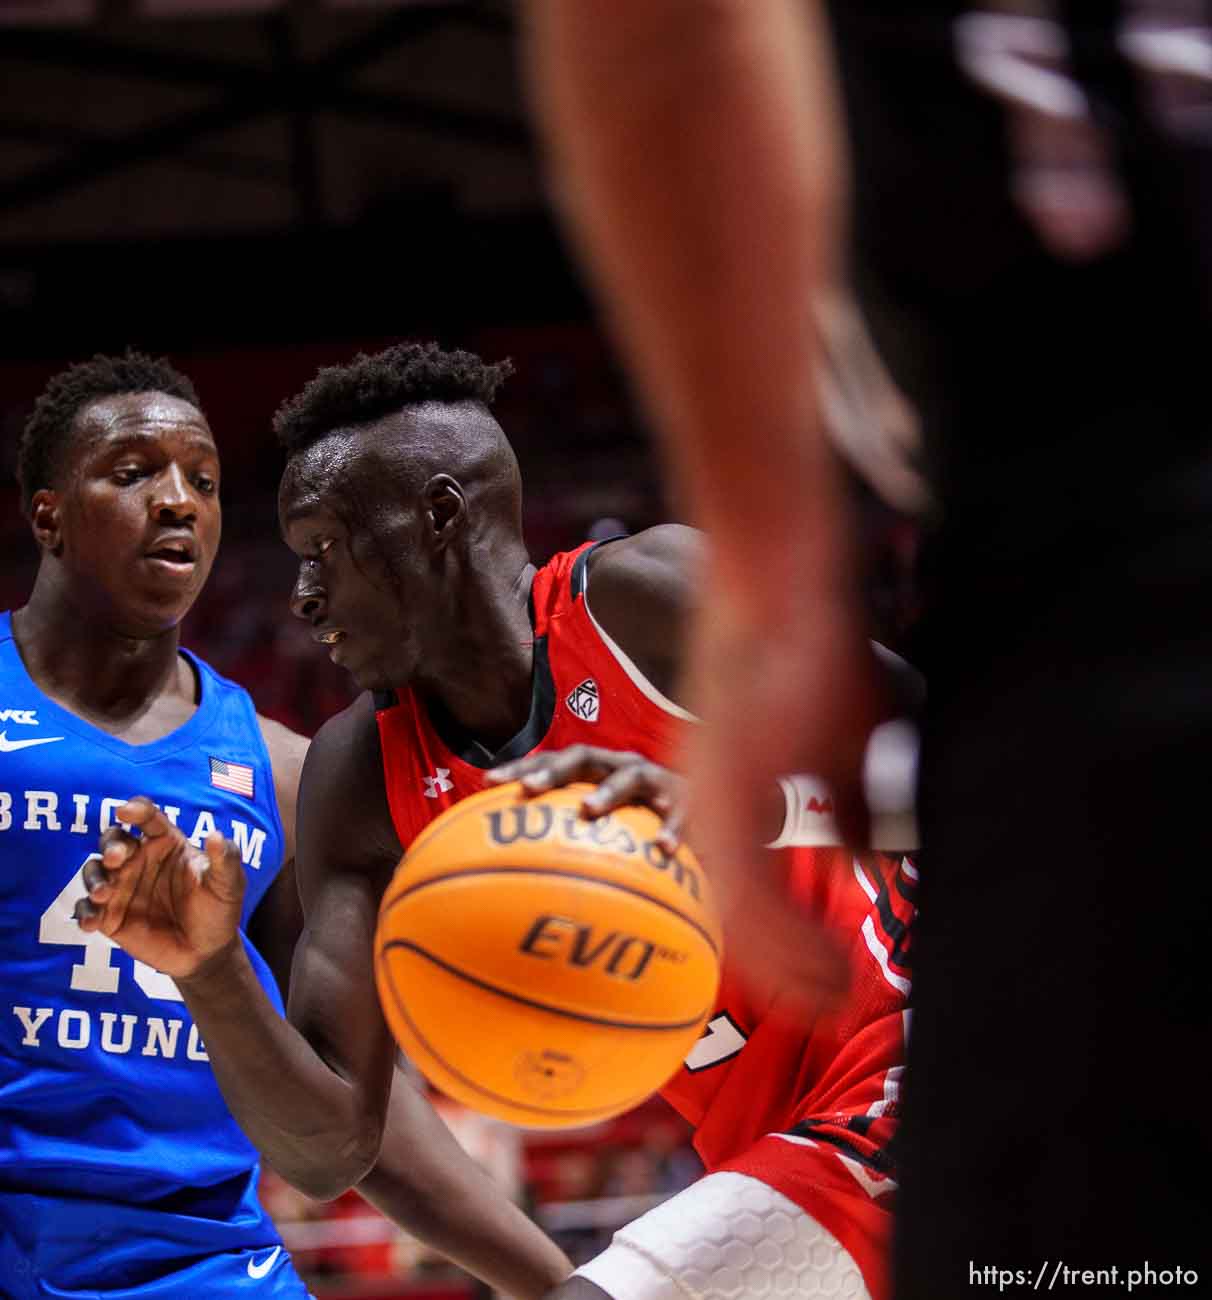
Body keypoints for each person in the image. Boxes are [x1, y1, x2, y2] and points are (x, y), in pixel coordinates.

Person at [522, 1, 1212, 1294]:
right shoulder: (372, 757)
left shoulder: (616, 606)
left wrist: (777, 573)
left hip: (1104, 498)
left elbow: (670, 30)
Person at [76, 341, 916, 1300]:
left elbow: (968, 775)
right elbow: (334, 1146)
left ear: (437, 517)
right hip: (763, 1143)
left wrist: (743, 814)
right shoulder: (360, 775)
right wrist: (213, 973)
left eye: (325, 552)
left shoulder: (645, 602)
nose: (303, 598)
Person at [5, 351, 569, 1299]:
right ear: (47, 514)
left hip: (207, 1266)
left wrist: (551, 1280)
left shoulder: (286, 772)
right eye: (134, 472)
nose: (180, 501)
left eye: (206, 481)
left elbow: (350, 1113)